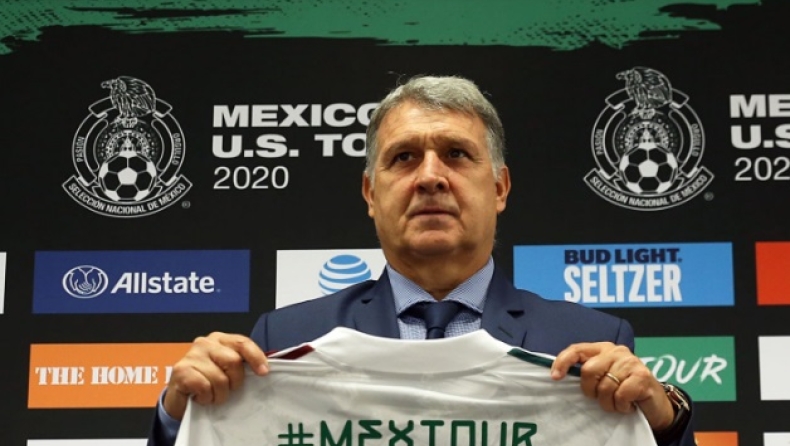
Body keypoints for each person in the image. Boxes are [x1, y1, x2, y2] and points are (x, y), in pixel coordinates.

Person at [148, 75, 695, 446]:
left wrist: (663, 421)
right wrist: (180, 415)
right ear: (371, 193)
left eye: (456, 154)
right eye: (404, 157)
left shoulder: (589, 340)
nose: (431, 176)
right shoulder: (284, 340)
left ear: (499, 187)